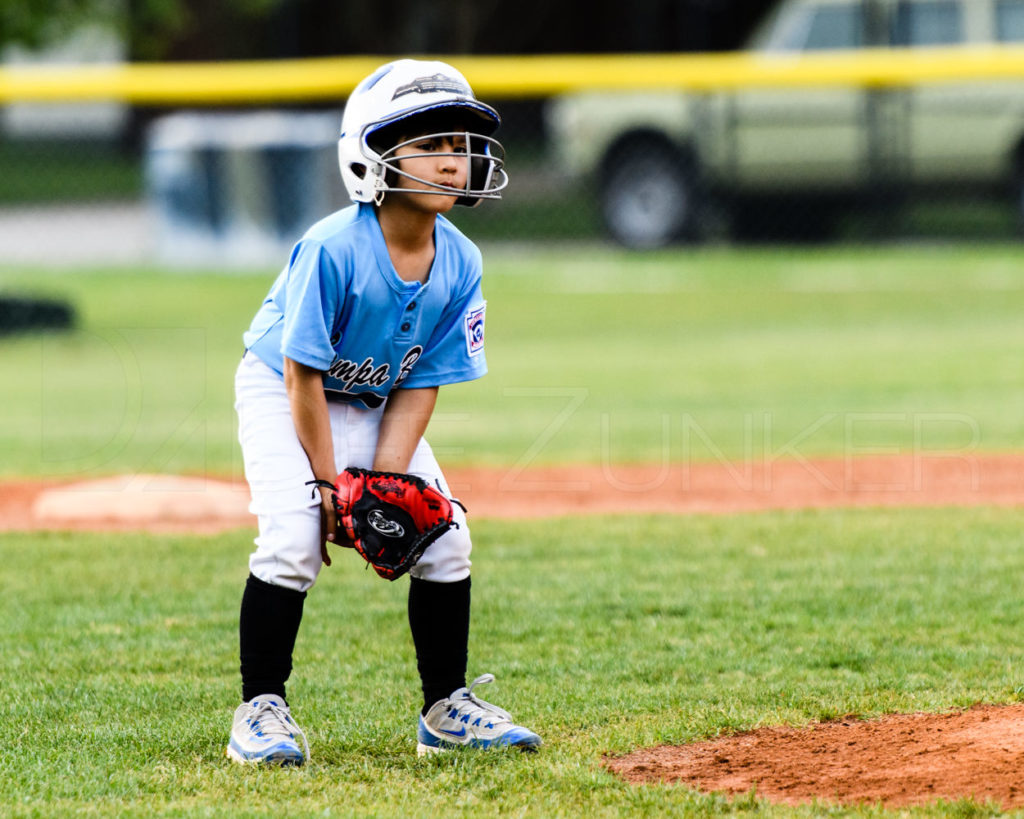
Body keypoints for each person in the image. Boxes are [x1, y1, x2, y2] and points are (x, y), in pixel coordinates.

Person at [225, 59, 541, 765]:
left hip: (376, 398)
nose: (454, 159)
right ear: (372, 159)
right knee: (292, 537)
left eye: (459, 144)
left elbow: (419, 378)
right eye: (430, 145)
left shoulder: (460, 260)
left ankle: (445, 708)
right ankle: (260, 709)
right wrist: (334, 484)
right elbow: (300, 372)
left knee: (446, 534)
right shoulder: (333, 248)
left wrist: (385, 487)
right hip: (286, 393)